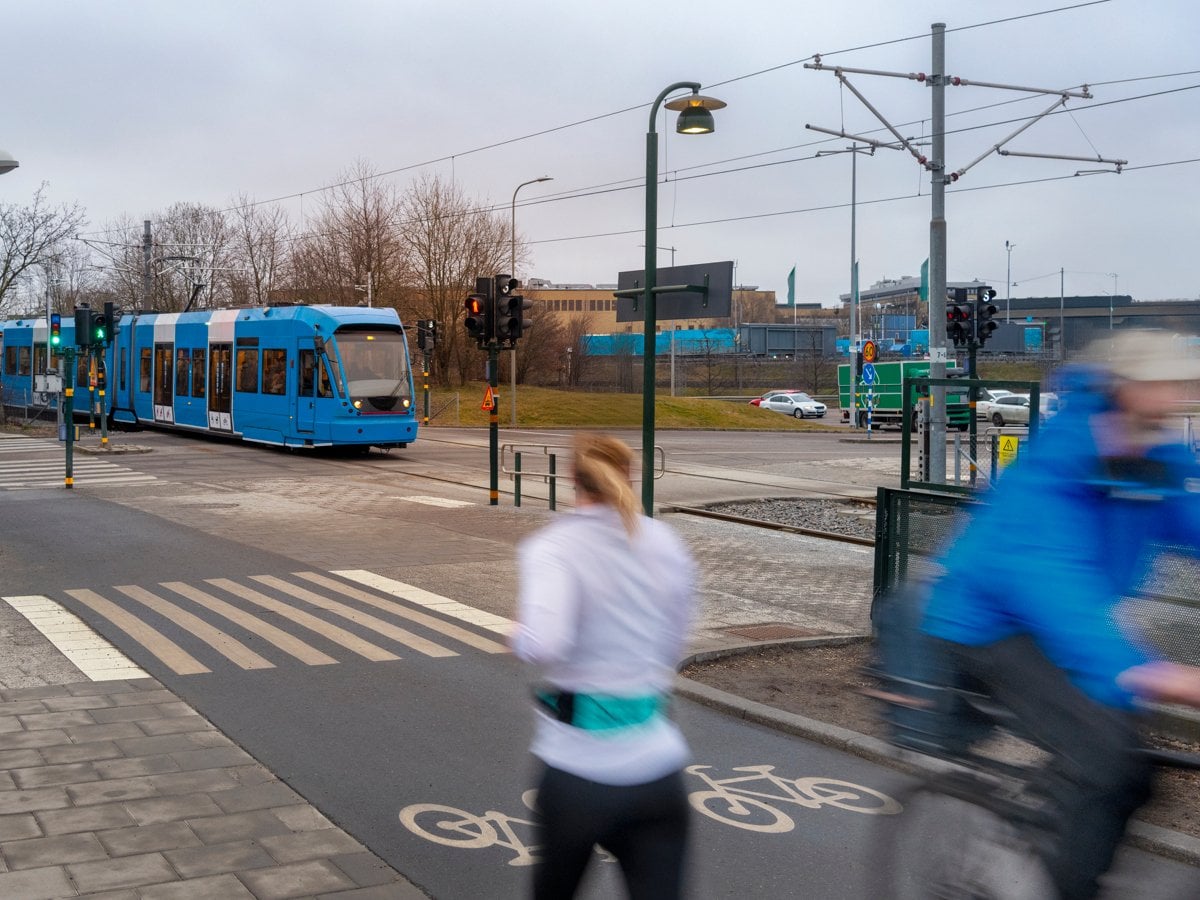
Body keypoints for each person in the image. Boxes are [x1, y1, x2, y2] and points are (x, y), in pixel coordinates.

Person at [919, 329, 1200, 899]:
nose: (1178, 397)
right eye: (1165, 384)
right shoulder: (1055, 468)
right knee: (1108, 760)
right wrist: (1154, 674)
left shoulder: (1157, 454)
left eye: (1184, 386)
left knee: (1136, 776)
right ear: (1125, 389)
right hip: (990, 627)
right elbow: (1058, 592)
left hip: (1067, 624)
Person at [511, 433, 697, 900]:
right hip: (658, 774)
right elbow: (673, 640)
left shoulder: (554, 547)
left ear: (571, 478)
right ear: (629, 474)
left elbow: (545, 643)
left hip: (578, 771)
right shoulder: (664, 541)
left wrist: (518, 635)